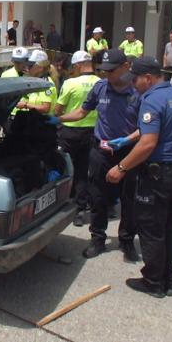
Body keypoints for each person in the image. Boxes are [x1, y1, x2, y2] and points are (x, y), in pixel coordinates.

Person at [105, 56, 172, 298]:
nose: (133, 84)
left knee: (151, 230)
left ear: (148, 78)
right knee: (168, 227)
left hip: (158, 176)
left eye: (135, 79)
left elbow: (148, 143)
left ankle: (153, 282)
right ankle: (168, 279)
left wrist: (121, 167)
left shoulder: (150, 100)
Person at [52, 49, 140, 262]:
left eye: (111, 71)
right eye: (104, 71)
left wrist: (127, 140)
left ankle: (126, 241)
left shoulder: (138, 92)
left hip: (128, 152)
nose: (107, 75)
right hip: (101, 150)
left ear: (126, 67)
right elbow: (82, 112)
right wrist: (60, 119)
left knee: (129, 198)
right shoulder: (100, 88)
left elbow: (146, 128)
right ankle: (98, 239)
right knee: (98, 195)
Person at [55, 51, 100, 227]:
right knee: (84, 171)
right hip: (93, 132)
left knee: (65, 167)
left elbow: (59, 109)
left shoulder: (70, 83)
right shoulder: (100, 83)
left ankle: (64, 202)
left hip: (70, 133)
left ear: (77, 66)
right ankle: (80, 209)